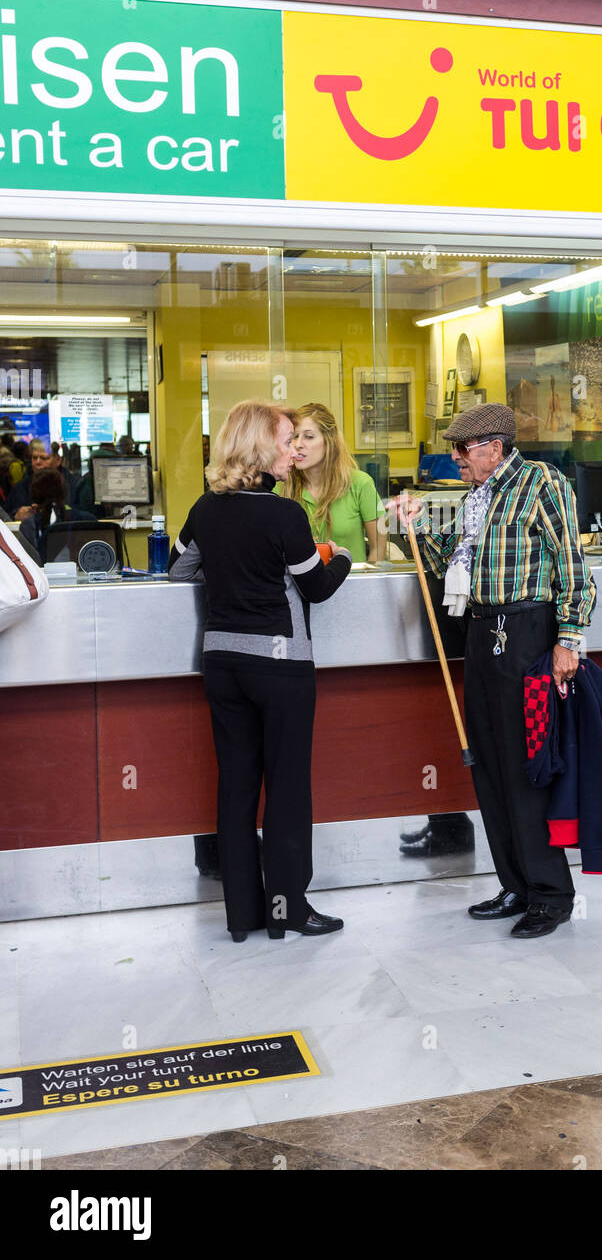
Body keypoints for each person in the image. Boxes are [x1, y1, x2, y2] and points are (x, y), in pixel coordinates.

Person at [390, 403, 596, 939]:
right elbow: (450, 559)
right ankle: (515, 884)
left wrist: (568, 639)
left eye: (461, 450)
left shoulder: (541, 483)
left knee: (527, 768)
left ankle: (550, 894)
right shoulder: (478, 498)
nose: (454, 458)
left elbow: (573, 565)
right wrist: (408, 529)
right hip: (483, 635)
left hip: (528, 635)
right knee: (488, 764)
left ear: (493, 448)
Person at [168, 399, 352, 942]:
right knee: (288, 788)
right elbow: (316, 587)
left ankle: (242, 915)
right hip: (280, 664)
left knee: (237, 787)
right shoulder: (284, 515)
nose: (294, 447)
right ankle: (287, 909)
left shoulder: (205, 508)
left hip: (221, 663)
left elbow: (179, 568)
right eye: (286, 437)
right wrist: (338, 556)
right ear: (259, 445)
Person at [287, 402, 386, 563]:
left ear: (329, 442)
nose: (298, 445)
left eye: (309, 436)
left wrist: (366, 585)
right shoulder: (281, 486)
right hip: (298, 586)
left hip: (351, 583)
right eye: (294, 436)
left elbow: (378, 550)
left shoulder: (361, 483)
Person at [18, 468, 96, 563]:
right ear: (64, 491)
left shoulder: (28, 525)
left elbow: (30, 563)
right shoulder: (88, 520)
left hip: (42, 577)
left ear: (33, 494)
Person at [4, 439, 80, 519]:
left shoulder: (75, 484)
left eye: (44, 458)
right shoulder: (20, 488)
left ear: (58, 460)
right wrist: (15, 515)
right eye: (34, 457)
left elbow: (86, 515)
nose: (38, 462)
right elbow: (4, 518)